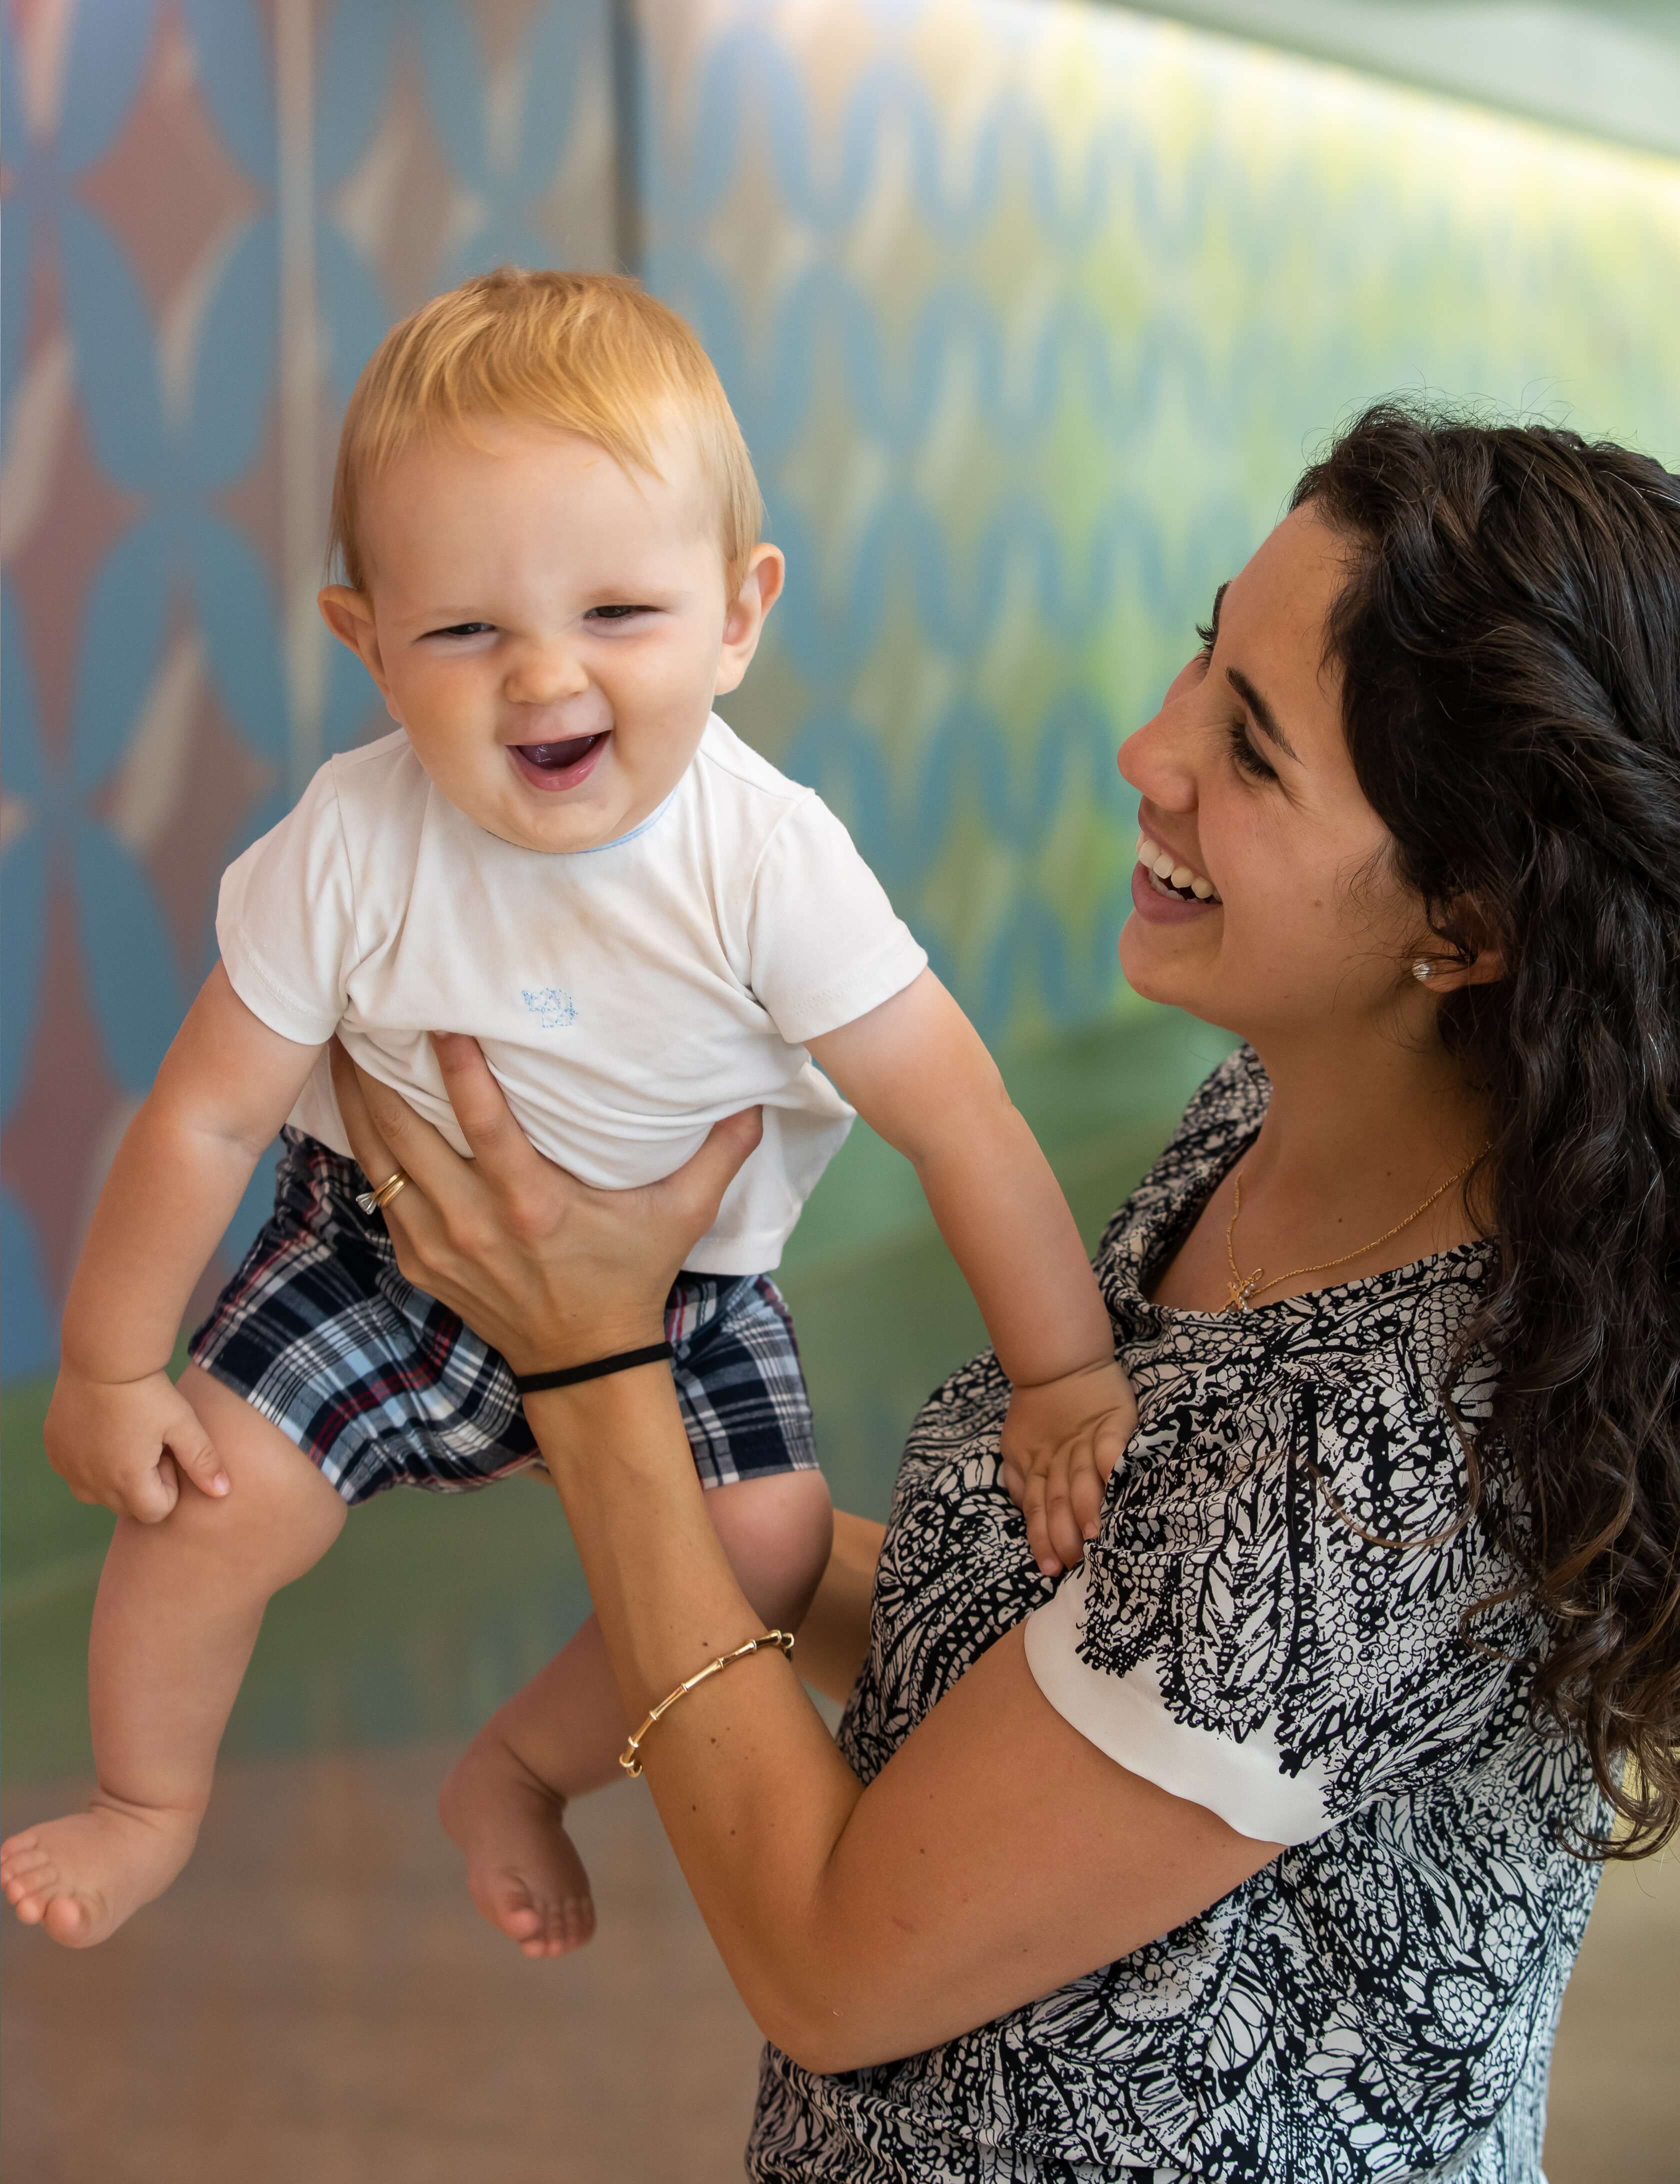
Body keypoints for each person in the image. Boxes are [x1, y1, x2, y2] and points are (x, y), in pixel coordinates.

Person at [296, 406, 1676, 2180]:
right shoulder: (1272, 1118)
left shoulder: (1395, 1462)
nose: (1150, 750)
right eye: (1206, 652)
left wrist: (601, 1370)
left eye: (1252, 753)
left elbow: (828, 1955)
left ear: (1465, 926)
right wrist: (700, 1501)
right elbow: (1062, 1653)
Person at [0, 269, 1134, 1955]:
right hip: (371, 1260)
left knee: (764, 1549)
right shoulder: (351, 841)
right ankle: (148, 1801)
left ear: (740, 613)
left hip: (690, 1301)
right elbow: (203, 1123)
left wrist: (1065, 1373)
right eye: (465, 629)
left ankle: (520, 1767)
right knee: (207, 1515)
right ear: (367, 640)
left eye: (619, 614)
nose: (545, 678)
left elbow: (955, 1115)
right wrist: (110, 1362)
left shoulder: (767, 858)